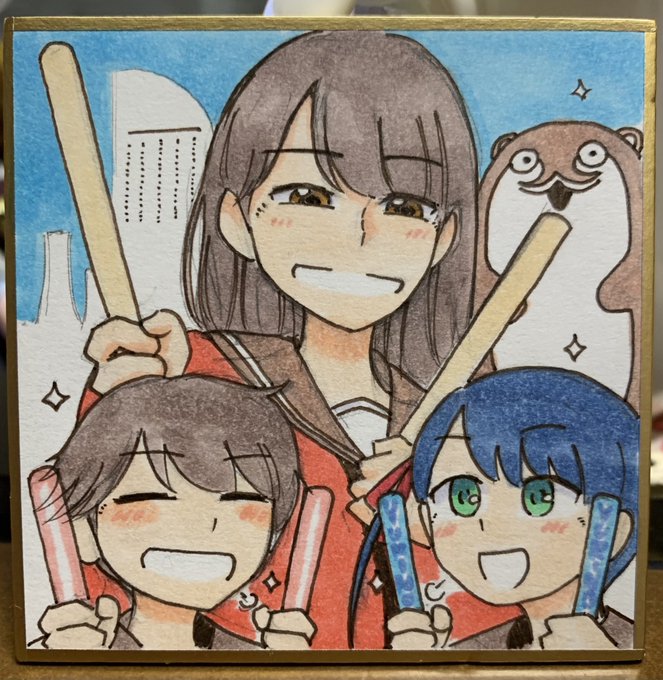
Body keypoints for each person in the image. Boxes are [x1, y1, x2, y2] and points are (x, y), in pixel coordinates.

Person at [80, 30, 502, 648]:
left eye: (406, 206)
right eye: (308, 196)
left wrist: (438, 502)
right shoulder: (192, 376)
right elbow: (98, 568)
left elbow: (510, 585)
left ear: (446, 237)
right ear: (236, 219)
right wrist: (121, 404)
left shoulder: (454, 417)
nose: (360, 237)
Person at [34, 375, 310, 650]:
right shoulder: (81, 648)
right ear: (84, 531)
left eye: (240, 500)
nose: (204, 525)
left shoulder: (252, 655)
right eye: (151, 497)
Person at [388, 368, 639, 650]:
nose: (494, 525)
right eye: (463, 496)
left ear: (615, 530)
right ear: (426, 519)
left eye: (540, 498)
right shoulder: (476, 650)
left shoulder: (634, 646)